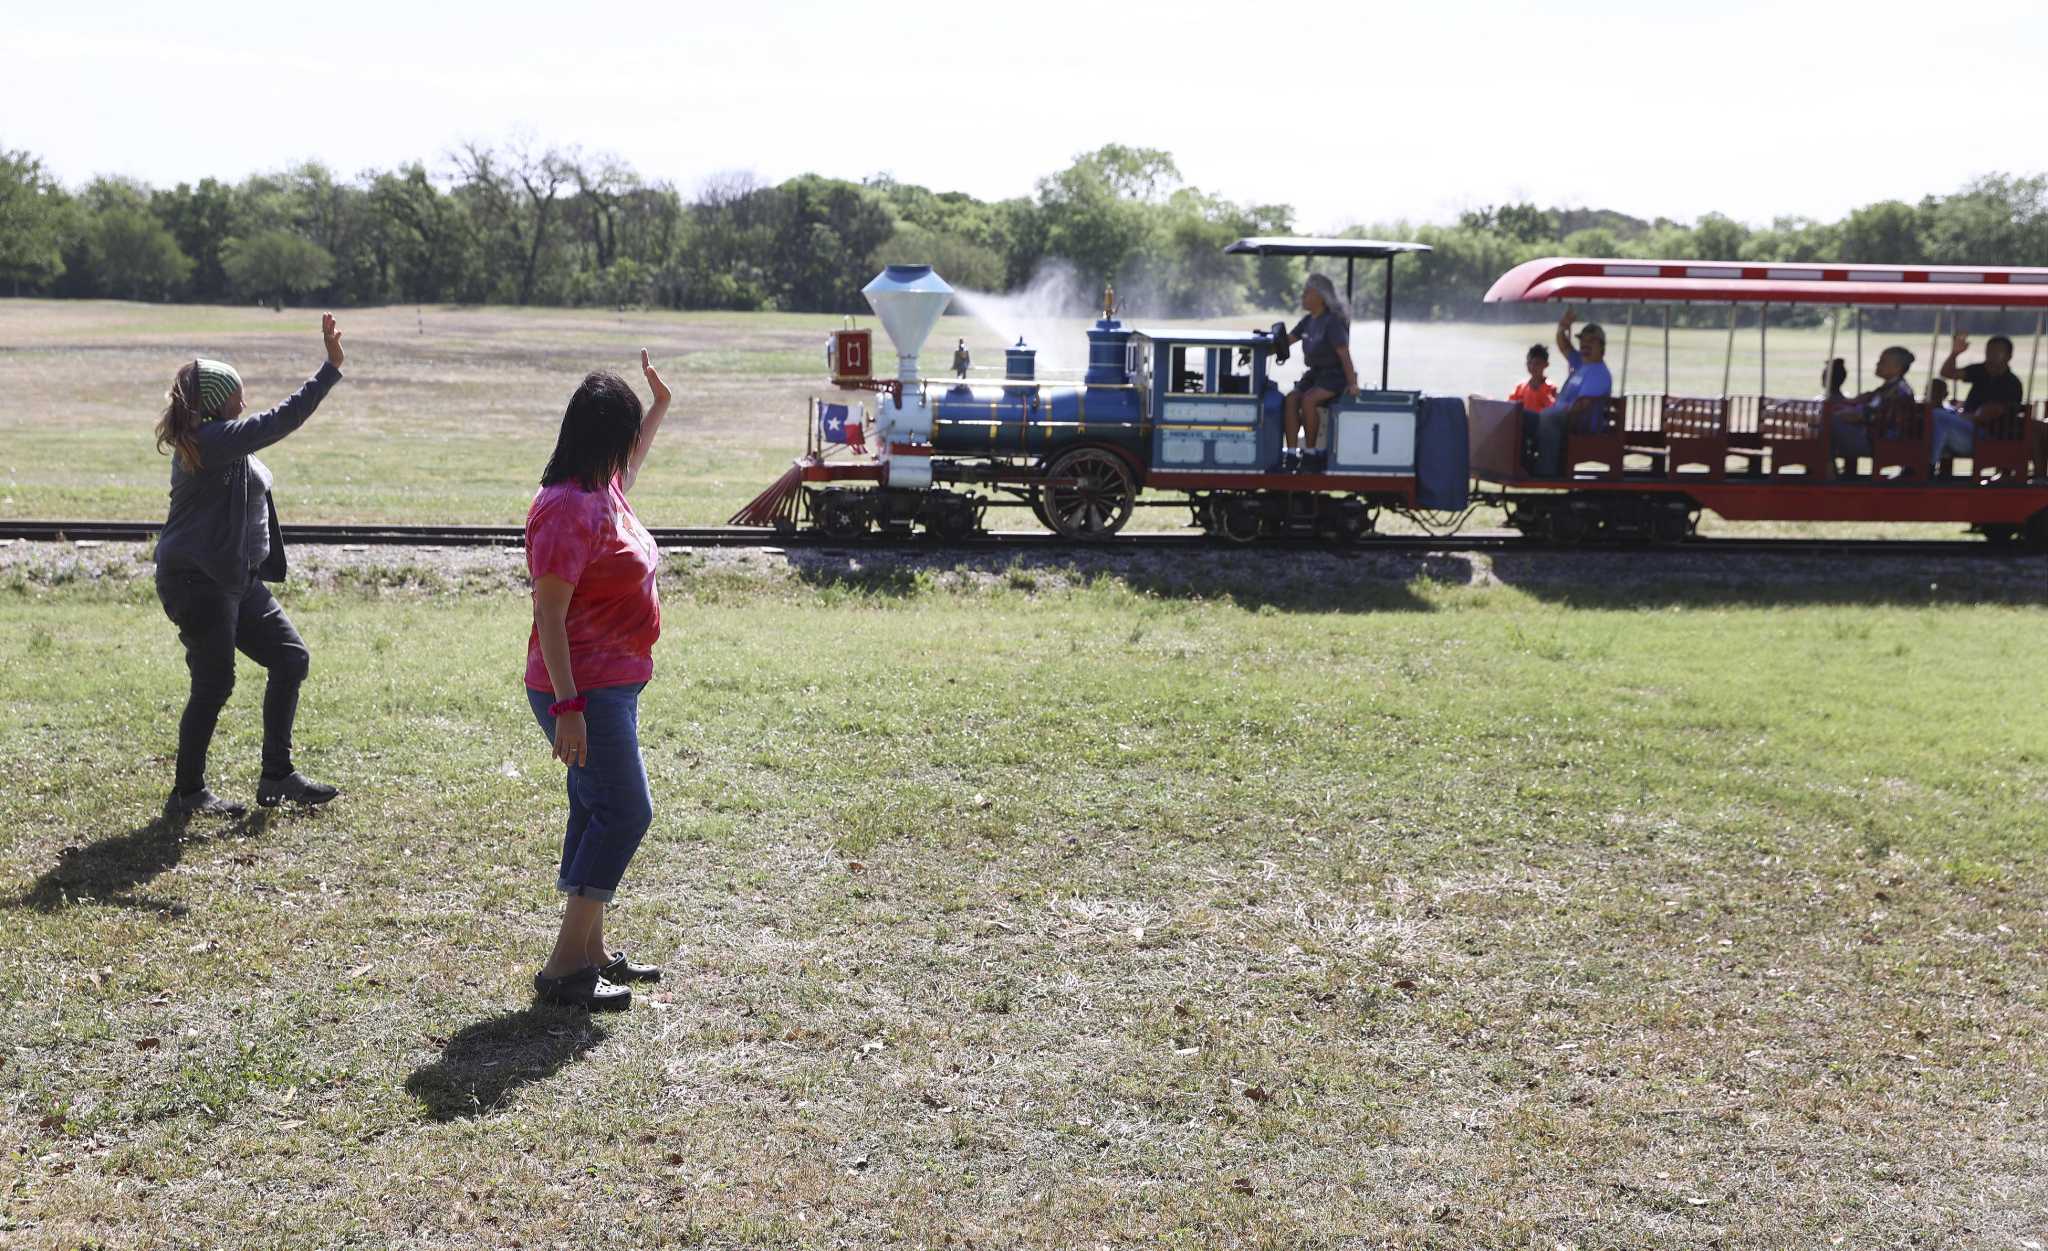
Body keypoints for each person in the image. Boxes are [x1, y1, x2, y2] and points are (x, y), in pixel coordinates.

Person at [152, 316, 346, 818]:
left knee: (290, 659)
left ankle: (277, 777)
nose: (245, 399)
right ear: (217, 403)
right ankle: (188, 792)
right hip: (199, 582)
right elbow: (281, 419)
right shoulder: (212, 440)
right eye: (237, 393)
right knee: (214, 683)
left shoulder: (222, 438)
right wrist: (328, 370)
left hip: (237, 580)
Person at [525, 353, 672, 1011]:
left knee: (594, 805)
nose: (629, 452)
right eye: (625, 435)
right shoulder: (564, 508)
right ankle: (563, 969)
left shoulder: (603, 488)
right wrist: (568, 706)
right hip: (581, 688)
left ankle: (592, 950)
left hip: (613, 684)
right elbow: (549, 616)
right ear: (601, 438)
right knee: (625, 810)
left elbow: (635, 460)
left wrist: (660, 405)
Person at [1279, 273, 1359, 471]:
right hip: (1314, 374)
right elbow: (1287, 341)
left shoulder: (1332, 322)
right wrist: (1261, 346)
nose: (1302, 296)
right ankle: (1290, 454)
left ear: (1320, 297)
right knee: (1291, 399)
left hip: (1334, 375)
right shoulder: (1307, 321)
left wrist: (1352, 383)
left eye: (1307, 292)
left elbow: (1344, 355)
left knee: (1308, 400)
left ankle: (1310, 454)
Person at [1520, 308, 1612, 477]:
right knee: (1519, 415)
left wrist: (1558, 412)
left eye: (1591, 342)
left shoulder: (1599, 373)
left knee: (1548, 417)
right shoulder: (1580, 363)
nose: (1585, 345)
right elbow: (1564, 345)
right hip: (1566, 416)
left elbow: (1583, 404)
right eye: (1583, 341)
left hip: (1581, 423)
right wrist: (1563, 326)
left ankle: (1546, 472)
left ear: (1601, 346)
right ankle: (1523, 466)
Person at [1836, 346, 1916, 476]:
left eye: (1882, 362)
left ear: (1897, 368)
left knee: (1831, 425)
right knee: (1831, 422)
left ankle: (1828, 473)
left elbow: (1875, 416)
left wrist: (1853, 415)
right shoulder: (1887, 388)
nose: (1877, 364)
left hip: (1881, 441)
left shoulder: (1899, 391)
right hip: (1873, 436)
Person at [1939, 332, 2023, 420]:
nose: (1991, 355)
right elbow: (1947, 373)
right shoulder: (1980, 370)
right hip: (1968, 422)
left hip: (1986, 429)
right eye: (1989, 351)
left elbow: (1993, 411)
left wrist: (1966, 417)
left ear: (2009, 356)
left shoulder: (2012, 383)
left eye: (1996, 352)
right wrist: (1954, 354)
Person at [1927, 378, 1972, 472]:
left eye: (1937, 392)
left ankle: (1930, 465)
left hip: (1964, 442)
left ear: (1945, 394)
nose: (1933, 395)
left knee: (1941, 428)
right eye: (1930, 391)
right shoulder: (1922, 412)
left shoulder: (1947, 413)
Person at [1508, 344, 1557, 410]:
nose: (1532, 367)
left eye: (1537, 363)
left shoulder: (1551, 388)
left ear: (1546, 364)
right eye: (1530, 363)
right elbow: (1509, 407)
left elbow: (1553, 409)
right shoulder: (1520, 388)